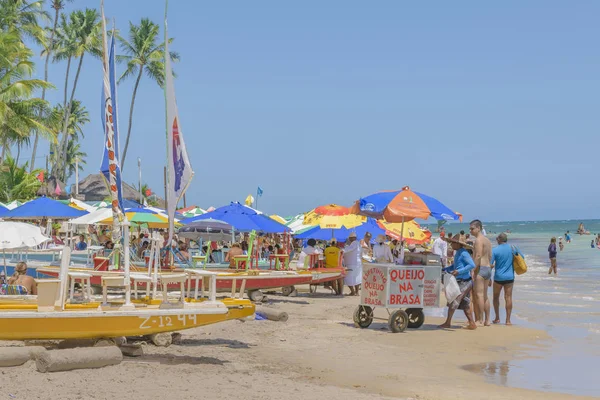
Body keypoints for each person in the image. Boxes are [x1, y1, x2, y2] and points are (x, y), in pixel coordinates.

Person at [439, 234, 477, 330]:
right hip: (461, 281)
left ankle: (448, 322)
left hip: (465, 281)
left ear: (458, 244)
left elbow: (472, 265)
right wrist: (444, 269)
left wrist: (459, 271)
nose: (451, 244)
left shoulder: (463, 253)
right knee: (465, 304)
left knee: (454, 301)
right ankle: (472, 324)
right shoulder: (458, 253)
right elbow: (455, 266)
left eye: (453, 243)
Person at [491, 233, 517, 325]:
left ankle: (497, 318)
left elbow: (490, 264)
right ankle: (508, 320)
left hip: (498, 277)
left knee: (495, 297)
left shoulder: (494, 250)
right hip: (510, 277)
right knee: (508, 297)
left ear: (499, 240)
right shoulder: (513, 248)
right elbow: (521, 257)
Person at [470, 219, 492, 326]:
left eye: (472, 228)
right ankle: (487, 320)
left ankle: (480, 320)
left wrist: (473, 269)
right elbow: (490, 256)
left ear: (478, 228)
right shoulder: (487, 240)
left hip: (480, 268)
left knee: (479, 295)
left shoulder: (478, 240)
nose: (470, 231)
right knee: (485, 295)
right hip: (488, 268)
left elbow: (478, 255)